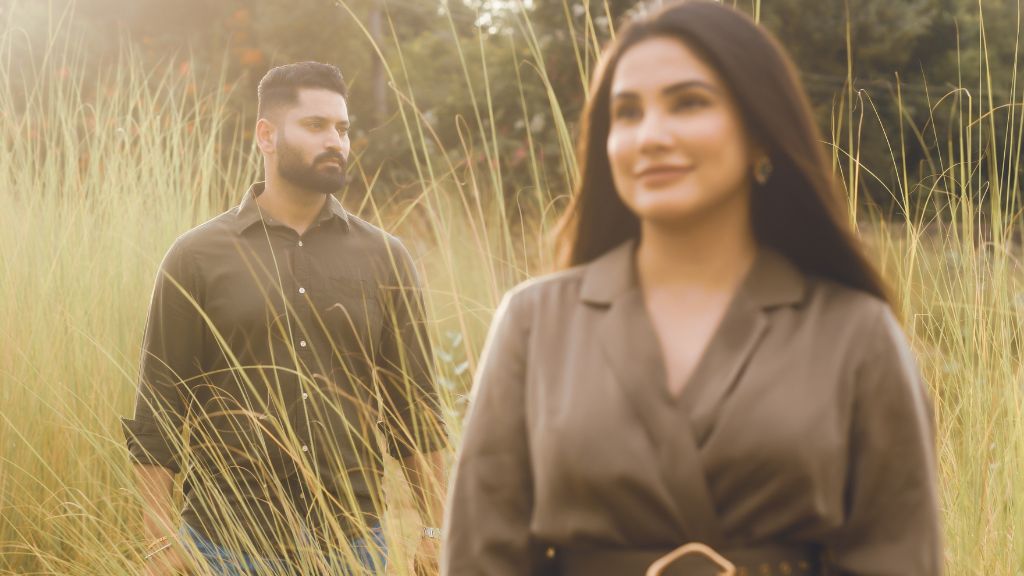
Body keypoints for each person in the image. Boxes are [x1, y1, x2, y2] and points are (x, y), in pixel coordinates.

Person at [442, 2, 941, 575]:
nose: (651, 136)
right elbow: (482, 559)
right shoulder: (533, 321)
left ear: (761, 133)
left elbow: (899, 557)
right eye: (626, 113)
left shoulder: (856, 332)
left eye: (689, 103)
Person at [123, 61, 446, 576]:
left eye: (342, 128)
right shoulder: (197, 256)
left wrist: (433, 530)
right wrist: (160, 546)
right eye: (316, 126)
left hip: (352, 544)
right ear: (266, 135)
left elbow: (416, 409)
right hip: (225, 543)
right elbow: (159, 410)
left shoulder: (385, 256)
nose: (336, 141)